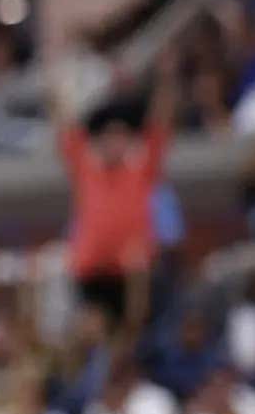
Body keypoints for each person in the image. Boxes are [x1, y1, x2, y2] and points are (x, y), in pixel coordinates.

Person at [53, 55, 177, 333]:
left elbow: (160, 124)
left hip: (131, 272)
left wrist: (166, 80)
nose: (114, 143)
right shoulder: (87, 169)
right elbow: (65, 128)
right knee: (91, 328)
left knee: (136, 307)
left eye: (120, 136)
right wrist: (58, 82)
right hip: (93, 271)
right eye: (108, 136)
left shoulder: (141, 169)